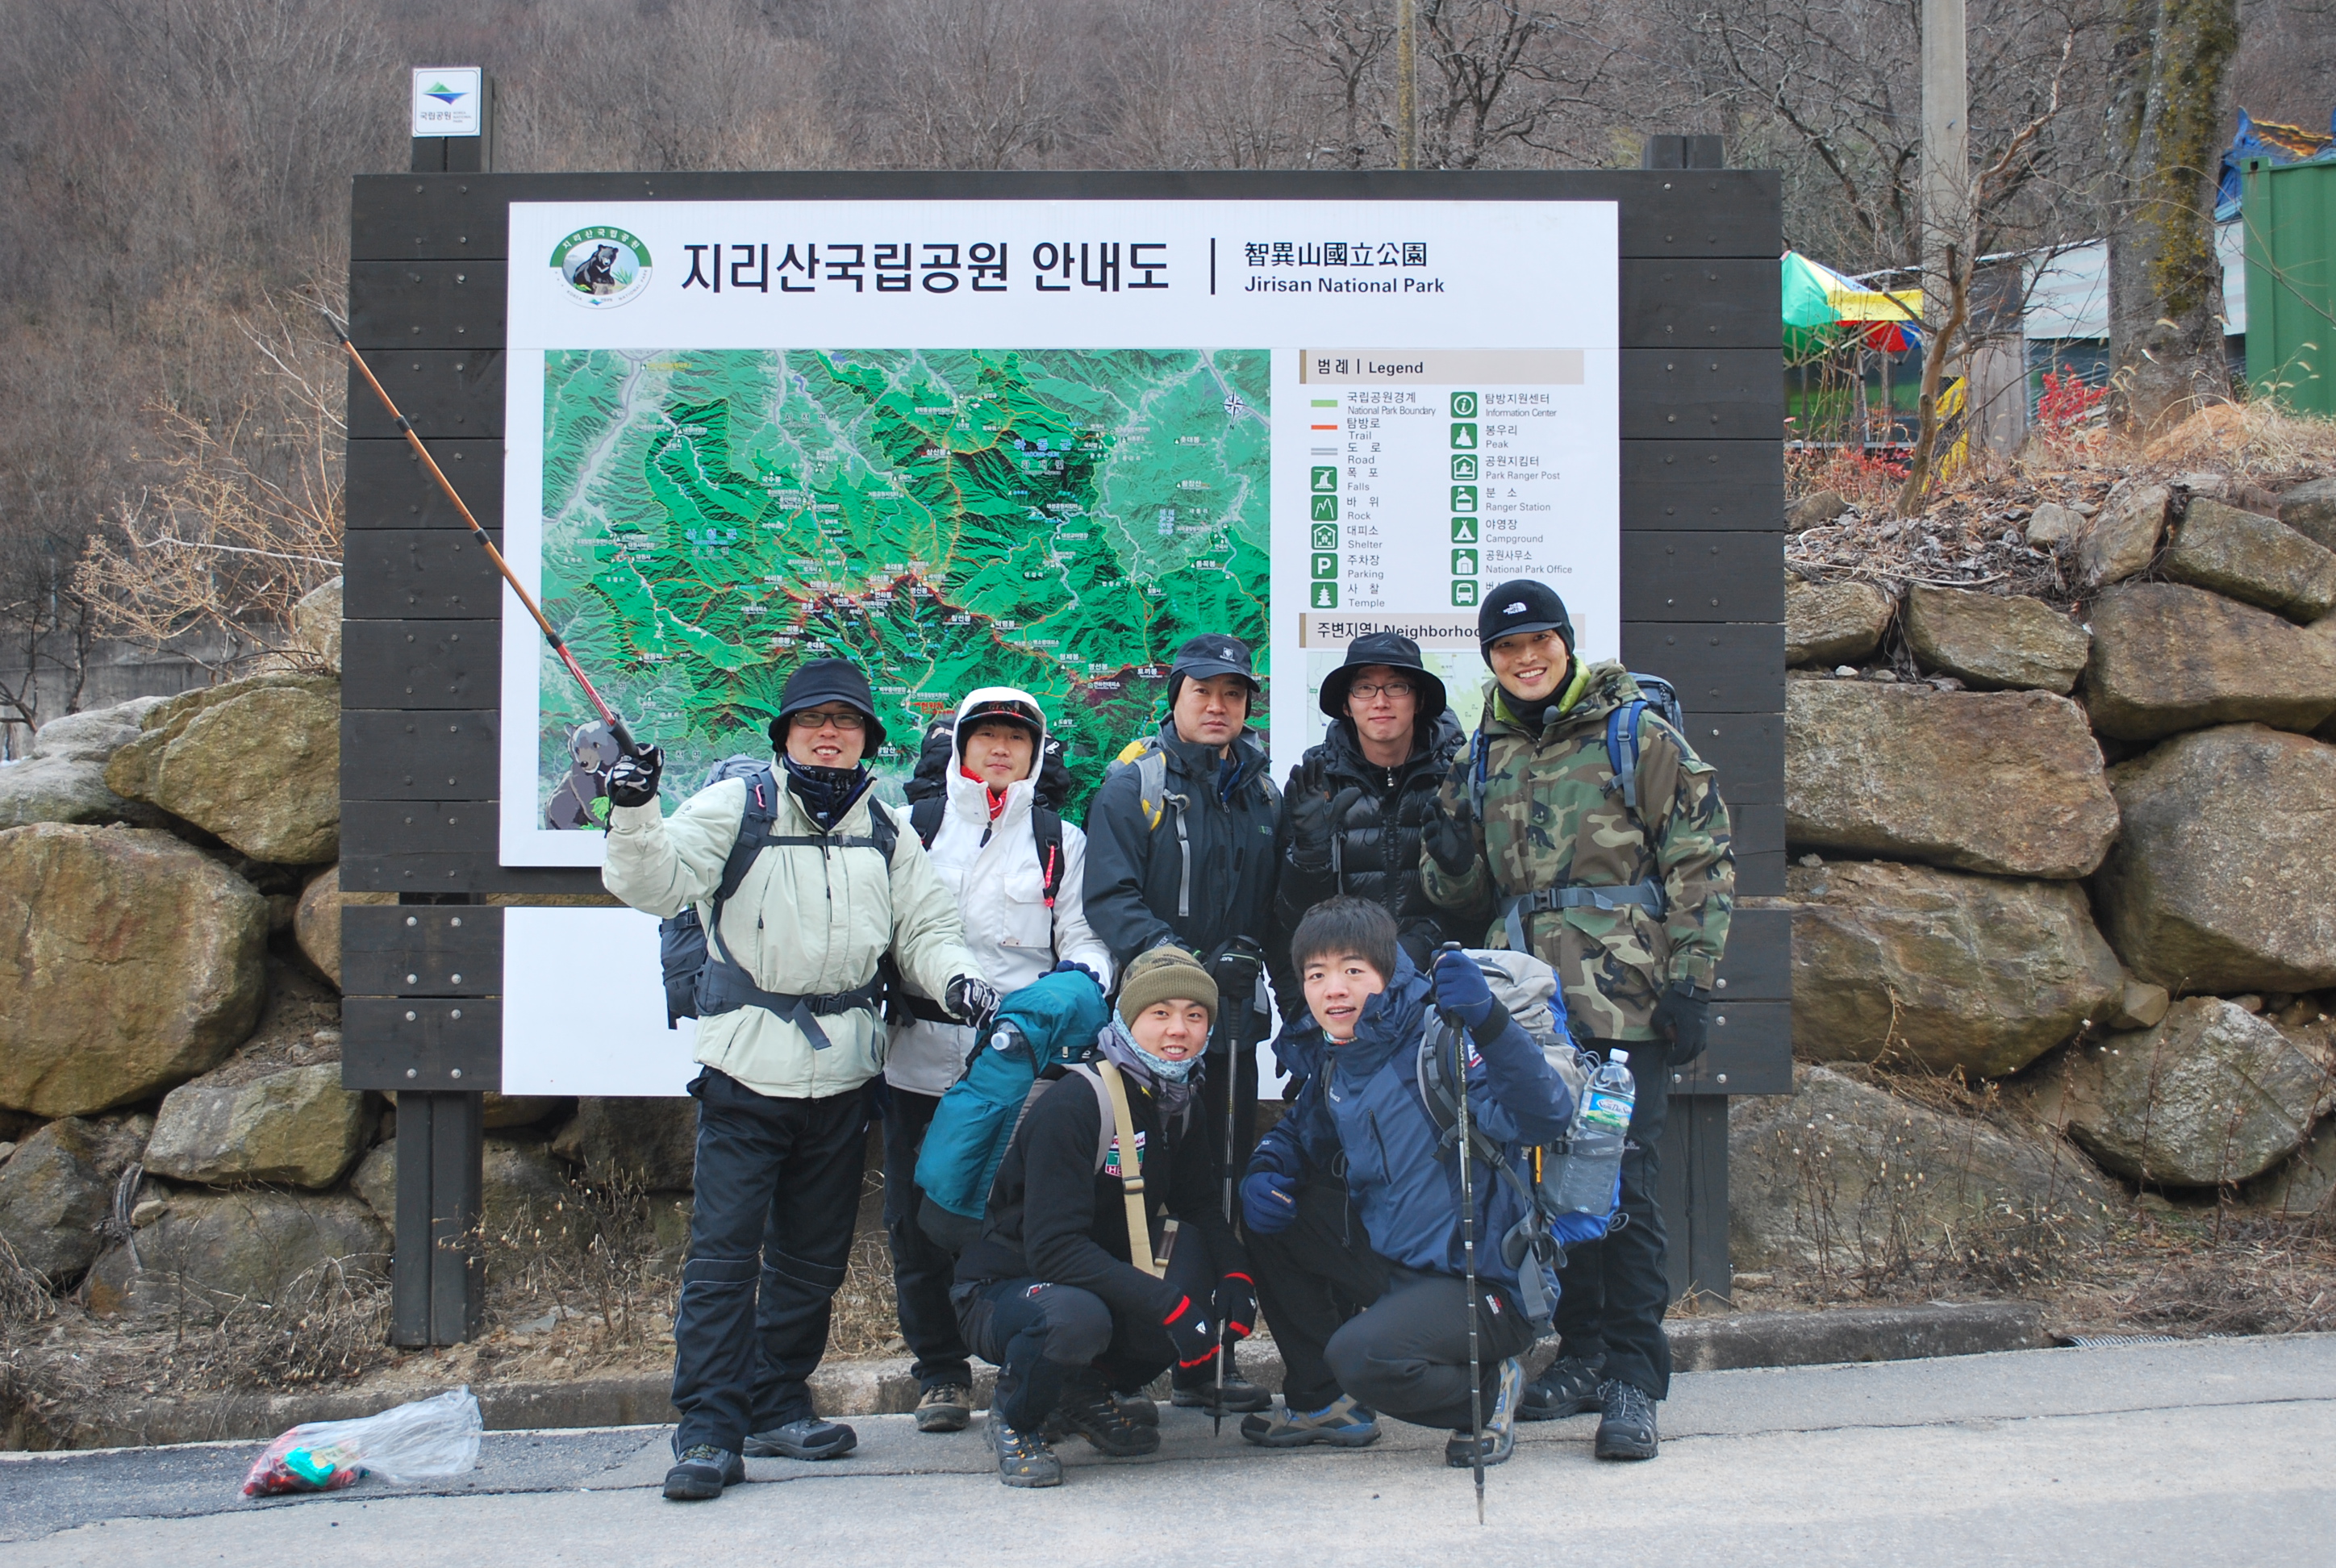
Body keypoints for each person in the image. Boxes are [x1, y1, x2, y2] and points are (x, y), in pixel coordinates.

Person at [600, 657, 999, 1503]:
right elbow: (654, 882)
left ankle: (776, 1401)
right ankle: (709, 1429)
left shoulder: (884, 828)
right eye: (813, 720)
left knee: (811, 1261)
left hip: (846, 1075)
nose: (829, 734)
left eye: (845, 722)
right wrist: (633, 809)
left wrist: (958, 979)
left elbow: (925, 929)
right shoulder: (735, 806)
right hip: (746, 1072)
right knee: (723, 1261)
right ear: (784, 733)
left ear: (866, 740)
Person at [1420, 580, 1735, 1462]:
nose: (1525, 660)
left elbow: (1702, 858)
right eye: (1506, 648)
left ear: (1565, 643)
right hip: (1527, 1009)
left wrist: (1693, 982)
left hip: (1624, 1000)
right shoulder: (1482, 752)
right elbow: (1464, 893)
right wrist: (1448, 861)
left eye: (1540, 643)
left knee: (1620, 1184)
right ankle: (1586, 1352)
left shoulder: (1635, 733)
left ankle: (1634, 1374)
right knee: (1547, 1186)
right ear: (1490, 659)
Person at [1241, 898, 1576, 1466]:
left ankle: (1488, 1391)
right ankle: (1325, 1405)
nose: (1334, 990)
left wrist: (1489, 1022)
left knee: (1362, 1357)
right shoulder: (1340, 1057)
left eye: (1353, 970)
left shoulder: (1443, 1039)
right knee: (1276, 1216)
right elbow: (1302, 1134)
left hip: (1484, 1282)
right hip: (1400, 1266)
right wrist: (1266, 1169)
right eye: (1317, 975)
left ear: (1388, 972)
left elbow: (1544, 1116)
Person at [883, 687, 1115, 1436]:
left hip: (1023, 1071)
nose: (1001, 749)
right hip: (919, 1061)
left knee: (1026, 1218)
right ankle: (940, 1372)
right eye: (986, 736)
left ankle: (1036, 1360)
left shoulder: (1060, 840)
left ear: (1036, 752)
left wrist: (1069, 991)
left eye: (1017, 739)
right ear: (961, 745)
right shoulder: (912, 829)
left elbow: (1084, 938)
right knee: (917, 1221)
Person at [953, 946, 1253, 1488]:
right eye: (1160, 1013)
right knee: (1077, 1317)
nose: (1178, 1030)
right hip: (1007, 1287)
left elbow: (1200, 1207)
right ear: (1128, 1020)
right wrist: (1168, 1304)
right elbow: (1053, 1250)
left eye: (1194, 1014)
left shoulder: (1179, 1098)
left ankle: (1082, 1392)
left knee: (1193, 1254)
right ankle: (1016, 1416)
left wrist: (1235, 1277)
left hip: (1093, 1275)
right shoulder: (1077, 1102)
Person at [1082, 632, 1287, 1415]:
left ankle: (1207, 1362)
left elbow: (1273, 904)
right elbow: (1111, 900)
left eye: (1233, 693)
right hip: (1151, 1030)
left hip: (1231, 1028)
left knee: (1216, 1188)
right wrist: (1192, 969)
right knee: (1136, 1188)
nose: (1217, 705)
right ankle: (1122, 1363)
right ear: (1175, 697)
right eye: (1203, 691)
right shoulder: (1132, 784)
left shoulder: (1262, 792)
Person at [1274, 630, 1472, 1000]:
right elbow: (1291, 918)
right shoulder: (1316, 783)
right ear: (1347, 705)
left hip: (1440, 987)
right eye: (1364, 688)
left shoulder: (1459, 777)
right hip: (1345, 991)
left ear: (1419, 700)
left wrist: (1423, 941)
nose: (1380, 701)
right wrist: (1308, 854)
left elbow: (1483, 906)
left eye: (1397, 687)